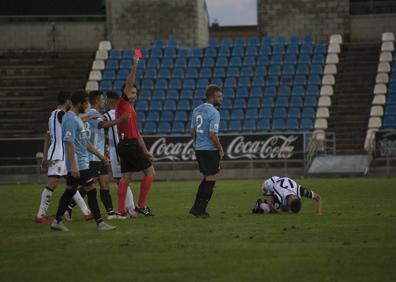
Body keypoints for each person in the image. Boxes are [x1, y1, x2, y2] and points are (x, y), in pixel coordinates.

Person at [50, 90, 116, 231]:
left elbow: (85, 142)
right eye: (85, 102)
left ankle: (57, 221)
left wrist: (100, 156)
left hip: (82, 162)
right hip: (78, 164)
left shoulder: (76, 118)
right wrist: (73, 166)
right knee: (91, 190)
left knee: (69, 192)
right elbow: (69, 143)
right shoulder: (70, 119)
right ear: (79, 103)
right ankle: (100, 223)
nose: (87, 105)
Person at [35, 91, 92, 224]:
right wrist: (89, 118)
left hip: (57, 153)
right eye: (70, 101)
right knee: (53, 183)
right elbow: (73, 120)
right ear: (67, 101)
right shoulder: (62, 114)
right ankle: (40, 214)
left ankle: (87, 212)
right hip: (59, 154)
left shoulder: (52, 115)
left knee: (72, 183)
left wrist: (45, 156)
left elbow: (47, 136)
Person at [115, 55, 155, 217]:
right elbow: (129, 82)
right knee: (150, 172)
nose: (134, 94)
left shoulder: (129, 107)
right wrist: (134, 66)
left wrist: (145, 151)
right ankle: (141, 206)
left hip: (126, 144)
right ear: (125, 92)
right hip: (129, 145)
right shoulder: (122, 103)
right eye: (132, 92)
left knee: (125, 177)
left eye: (136, 93)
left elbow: (137, 132)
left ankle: (120, 210)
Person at [83, 90, 130, 219]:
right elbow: (102, 125)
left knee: (104, 183)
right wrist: (120, 119)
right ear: (97, 101)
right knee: (89, 185)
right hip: (93, 155)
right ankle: (70, 208)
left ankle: (110, 212)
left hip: (100, 154)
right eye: (102, 99)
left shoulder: (96, 113)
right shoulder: (92, 114)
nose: (104, 101)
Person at [189, 84, 224, 218]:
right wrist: (220, 148)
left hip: (199, 148)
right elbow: (212, 135)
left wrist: (197, 144)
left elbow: (193, 130)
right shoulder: (214, 113)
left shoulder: (197, 109)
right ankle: (200, 210)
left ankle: (196, 207)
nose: (221, 99)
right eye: (218, 97)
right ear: (211, 97)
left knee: (206, 178)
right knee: (211, 179)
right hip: (209, 150)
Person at [103, 91, 138, 218]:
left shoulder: (109, 114)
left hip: (117, 150)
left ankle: (130, 209)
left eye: (106, 100)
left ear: (110, 101)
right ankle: (130, 209)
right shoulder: (124, 111)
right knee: (124, 180)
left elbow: (102, 124)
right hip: (126, 146)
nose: (105, 102)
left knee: (121, 180)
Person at [252, 176, 322, 215]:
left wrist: (318, 213)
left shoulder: (300, 190)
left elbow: (318, 198)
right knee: (272, 209)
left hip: (280, 181)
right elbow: (273, 210)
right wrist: (281, 212)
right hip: (269, 184)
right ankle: (260, 204)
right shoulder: (280, 194)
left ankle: (265, 203)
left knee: (284, 208)